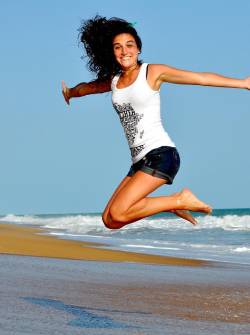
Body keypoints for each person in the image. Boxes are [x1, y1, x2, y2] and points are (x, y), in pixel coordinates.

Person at [62, 16, 250, 229]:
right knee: (110, 219)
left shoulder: (152, 72)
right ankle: (171, 204)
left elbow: (200, 78)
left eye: (129, 45)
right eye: (118, 47)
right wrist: (70, 92)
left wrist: (243, 83)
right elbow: (87, 88)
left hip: (161, 155)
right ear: (112, 53)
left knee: (119, 212)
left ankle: (178, 200)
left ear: (138, 49)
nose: (124, 51)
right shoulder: (114, 81)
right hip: (139, 161)